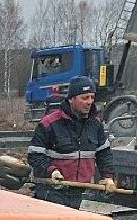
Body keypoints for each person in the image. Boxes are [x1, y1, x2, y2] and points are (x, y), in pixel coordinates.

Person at [27, 75, 115, 209]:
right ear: (71, 99)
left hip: (80, 193)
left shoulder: (96, 125)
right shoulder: (49, 123)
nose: (89, 102)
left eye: (92, 97)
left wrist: (108, 177)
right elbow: (35, 155)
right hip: (51, 193)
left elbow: (104, 154)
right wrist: (52, 171)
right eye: (84, 98)